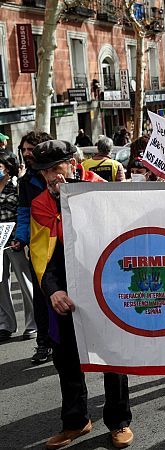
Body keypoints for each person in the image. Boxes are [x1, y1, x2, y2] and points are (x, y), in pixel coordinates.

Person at [28, 140, 134, 449]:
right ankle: (76, 421)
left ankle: (119, 421)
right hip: (63, 286)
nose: (50, 176)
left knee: (112, 356)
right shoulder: (40, 204)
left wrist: (74, 194)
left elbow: (120, 234)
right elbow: (40, 255)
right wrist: (52, 290)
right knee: (66, 360)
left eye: (55, 168)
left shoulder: (99, 188)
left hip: (103, 282)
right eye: (44, 171)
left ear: (73, 162)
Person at [10, 130, 54, 363]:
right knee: (41, 298)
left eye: (30, 150)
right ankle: (43, 343)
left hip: (65, 245)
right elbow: (24, 214)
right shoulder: (27, 181)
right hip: (40, 250)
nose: (26, 154)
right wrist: (21, 238)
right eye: (24, 150)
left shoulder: (61, 173)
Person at [0, 151, 36, 342]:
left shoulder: (17, 185)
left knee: (24, 281)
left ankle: (33, 323)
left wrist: (22, 237)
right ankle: (5, 325)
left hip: (15, 240)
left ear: (7, 166)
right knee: (0, 283)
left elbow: (24, 212)